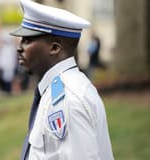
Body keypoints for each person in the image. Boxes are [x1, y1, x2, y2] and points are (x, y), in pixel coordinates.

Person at [9, 0, 114, 160]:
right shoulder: (59, 88)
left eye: (28, 40)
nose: (20, 47)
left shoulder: (68, 99)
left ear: (55, 48)